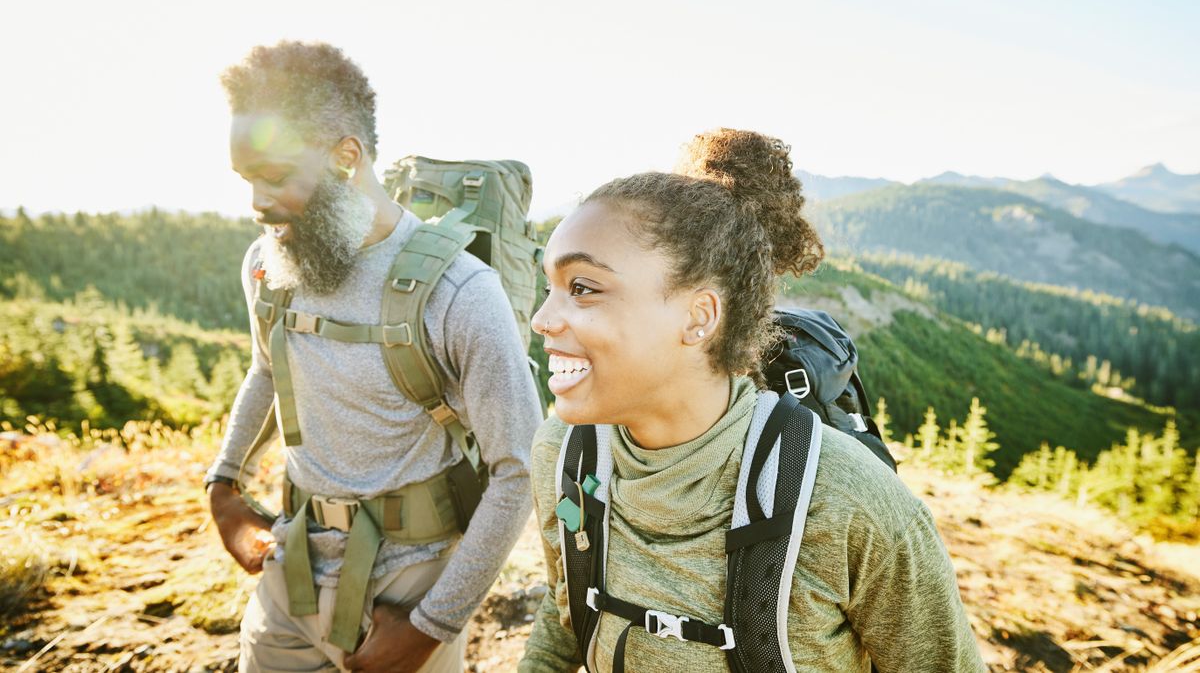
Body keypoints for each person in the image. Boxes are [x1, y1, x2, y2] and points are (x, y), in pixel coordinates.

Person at [518, 129, 986, 672]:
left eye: (583, 288)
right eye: (550, 287)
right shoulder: (564, 455)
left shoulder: (846, 502)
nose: (542, 320)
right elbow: (568, 610)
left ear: (698, 318)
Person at [203, 41, 542, 673]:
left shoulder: (460, 293)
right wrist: (222, 485)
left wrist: (429, 628)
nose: (255, 202)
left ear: (345, 156)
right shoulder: (268, 262)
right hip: (290, 569)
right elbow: (268, 371)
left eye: (275, 176)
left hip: (410, 586)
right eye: (245, 179)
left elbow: (518, 469)